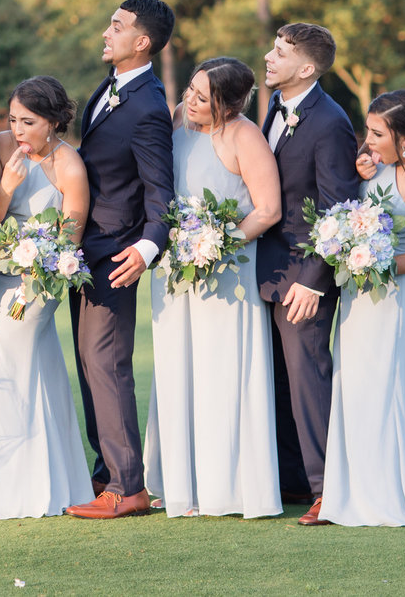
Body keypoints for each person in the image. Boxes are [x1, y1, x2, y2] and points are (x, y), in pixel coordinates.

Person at [143, 58, 282, 518]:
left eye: (203, 97)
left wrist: (218, 244)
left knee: (221, 369)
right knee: (177, 367)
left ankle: (228, 488)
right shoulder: (178, 122)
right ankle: (181, 484)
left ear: (229, 103)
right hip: (173, 272)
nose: (190, 100)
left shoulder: (244, 136)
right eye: (190, 89)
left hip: (225, 274)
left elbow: (268, 209)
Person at [320, 90, 405, 527]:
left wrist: (373, 260)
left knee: (387, 389)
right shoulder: (388, 164)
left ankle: (389, 495)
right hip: (358, 296)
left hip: (391, 300)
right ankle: (353, 489)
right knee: (355, 387)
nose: (366, 140)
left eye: (377, 133)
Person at [0, 76, 93, 519]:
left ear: (53, 122)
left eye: (28, 121)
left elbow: (69, 243)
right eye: (13, 118)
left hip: (37, 286)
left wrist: (35, 273)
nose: (17, 130)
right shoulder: (1, 149)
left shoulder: (69, 166)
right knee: (8, 365)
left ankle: (17, 488)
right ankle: (15, 482)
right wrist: (6, 188)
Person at [66, 0, 176, 520]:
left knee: (107, 365)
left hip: (117, 256)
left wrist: (147, 247)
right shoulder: (106, 91)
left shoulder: (150, 108)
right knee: (89, 365)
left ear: (142, 42)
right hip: (82, 254)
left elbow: (161, 195)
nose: (106, 32)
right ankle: (107, 471)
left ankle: (129, 487)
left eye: (117, 26)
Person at [258, 23, 359, 525]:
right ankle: (294, 481)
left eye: (280, 53)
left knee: (308, 380)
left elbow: (340, 209)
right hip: (267, 270)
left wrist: (313, 280)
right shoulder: (274, 109)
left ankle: (327, 490)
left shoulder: (330, 121)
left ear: (307, 68)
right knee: (276, 380)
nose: (268, 58)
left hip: (303, 277)